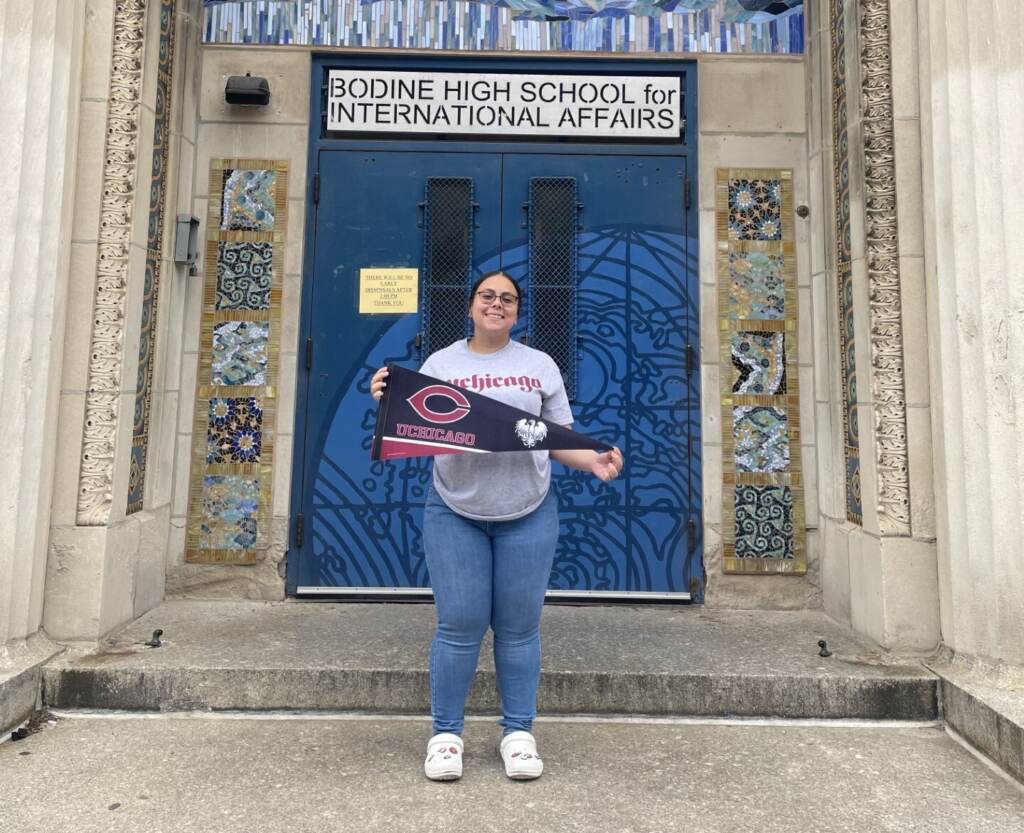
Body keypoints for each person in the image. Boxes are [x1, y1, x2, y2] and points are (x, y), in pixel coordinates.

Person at [370, 270, 623, 781]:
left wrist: (592, 460)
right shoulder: (442, 362)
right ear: (471, 306)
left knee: (518, 628)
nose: (497, 304)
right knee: (459, 625)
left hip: (528, 510)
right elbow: (417, 422)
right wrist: (387, 399)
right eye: (488, 295)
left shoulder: (539, 365)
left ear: (517, 311)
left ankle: (518, 734)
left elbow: (556, 438)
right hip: (454, 508)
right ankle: (445, 736)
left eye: (507, 298)